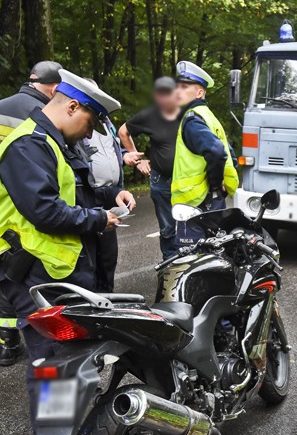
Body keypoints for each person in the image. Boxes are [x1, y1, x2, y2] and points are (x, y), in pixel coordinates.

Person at [0, 70, 134, 435]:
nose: (89, 132)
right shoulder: (27, 145)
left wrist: (113, 194)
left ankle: (69, 434)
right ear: (72, 106)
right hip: (33, 273)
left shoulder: (54, 142)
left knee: (70, 357)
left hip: (57, 270)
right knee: (51, 360)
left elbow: (80, 189)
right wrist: (99, 219)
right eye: (90, 123)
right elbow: (44, 210)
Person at [0, 60, 62, 367]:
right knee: (26, 275)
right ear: (52, 87)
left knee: (12, 274)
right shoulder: (39, 114)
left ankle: (8, 344)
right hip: (29, 207)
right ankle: (45, 353)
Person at [171, 61, 239, 247]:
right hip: (213, 202)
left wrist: (215, 183)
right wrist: (218, 188)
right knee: (215, 253)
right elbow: (229, 153)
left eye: (184, 87)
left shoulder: (192, 119)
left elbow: (217, 151)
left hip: (195, 204)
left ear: (199, 93)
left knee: (192, 259)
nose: (178, 91)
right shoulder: (208, 115)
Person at [117, 77, 180, 259]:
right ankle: (170, 266)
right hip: (162, 181)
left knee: (190, 225)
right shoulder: (150, 115)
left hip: (188, 180)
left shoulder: (188, 114)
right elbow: (123, 131)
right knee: (168, 227)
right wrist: (137, 160)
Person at [84, 116, 133, 292]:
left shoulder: (106, 122)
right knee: (91, 259)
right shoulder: (78, 121)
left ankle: (107, 295)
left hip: (110, 193)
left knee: (108, 255)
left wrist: (126, 154)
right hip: (87, 195)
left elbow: (114, 148)